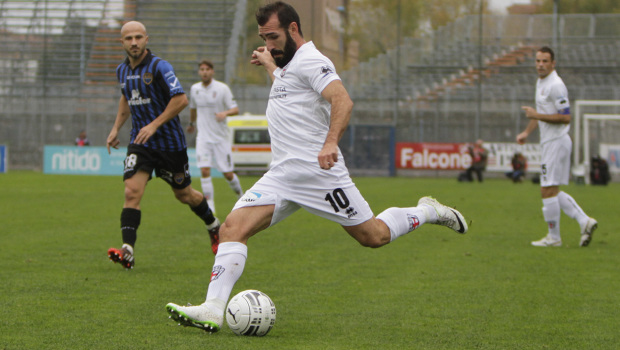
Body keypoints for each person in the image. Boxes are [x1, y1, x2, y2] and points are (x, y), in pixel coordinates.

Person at [165, 1, 468, 333]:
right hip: (281, 175)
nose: (268, 45)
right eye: (264, 38)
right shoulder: (287, 63)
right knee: (232, 229)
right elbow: (288, 87)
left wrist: (330, 142)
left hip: (319, 176)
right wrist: (270, 64)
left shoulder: (312, 60)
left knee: (373, 236)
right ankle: (213, 308)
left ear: (293, 29)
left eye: (273, 37)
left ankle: (428, 211)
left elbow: (342, 100)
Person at [105, 21, 220, 269]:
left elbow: (181, 100)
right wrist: (116, 129)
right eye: (128, 38)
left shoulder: (159, 67)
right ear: (122, 42)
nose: (134, 42)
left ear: (147, 39)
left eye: (138, 37)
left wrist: (154, 124)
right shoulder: (121, 71)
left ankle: (213, 225)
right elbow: (126, 98)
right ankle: (128, 250)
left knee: (184, 195)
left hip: (169, 144)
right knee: (131, 192)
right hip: (141, 142)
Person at [517, 46, 597, 248]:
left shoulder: (556, 85)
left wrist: (536, 115)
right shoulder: (541, 82)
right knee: (552, 189)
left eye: (545, 61)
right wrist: (527, 132)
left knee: (547, 190)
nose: (541, 65)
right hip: (552, 142)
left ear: (553, 63)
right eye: (538, 61)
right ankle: (584, 221)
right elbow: (541, 113)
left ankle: (554, 238)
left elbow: (565, 117)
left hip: (556, 142)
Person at [187, 60, 243, 215]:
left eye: (207, 69)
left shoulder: (222, 88)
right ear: (199, 72)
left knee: (228, 174)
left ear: (212, 72)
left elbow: (235, 109)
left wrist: (224, 113)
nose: (204, 72)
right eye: (202, 69)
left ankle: (241, 195)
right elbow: (193, 108)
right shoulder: (195, 89)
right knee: (205, 171)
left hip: (220, 138)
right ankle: (210, 206)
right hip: (203, 138)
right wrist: (191, 123)